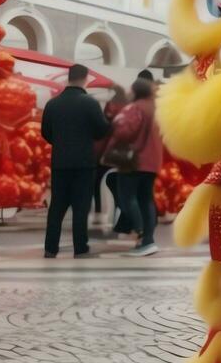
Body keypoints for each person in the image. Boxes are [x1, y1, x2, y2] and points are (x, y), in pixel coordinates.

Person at [42, 64, 110, 258]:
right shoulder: (90, 103)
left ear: (69, 78)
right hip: (83, 163)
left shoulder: (53, 104)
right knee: (81, 207)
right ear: (84, 79)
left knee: (57, 206)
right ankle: (80, 248)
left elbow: (45, 132)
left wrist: (61, 143)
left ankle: (50, 248)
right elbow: (102, 130)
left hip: (60, 163)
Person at [104, 78, 163, 256]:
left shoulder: (135, 107)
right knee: (146, 200)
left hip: (133, 161)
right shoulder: (157, 108)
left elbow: (124, 130)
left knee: (126, 198)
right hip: (152, 162)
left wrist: (114, 124)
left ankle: (140, 233)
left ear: (136, 91)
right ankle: (148, 240)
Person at [94, 84, 127, 224]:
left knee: (98, 181)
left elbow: (105, 124)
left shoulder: (113, 105)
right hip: (122, 153)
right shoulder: (128, 106)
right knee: (118, 183)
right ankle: (119, 213)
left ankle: (100, 212)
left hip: (106, 151)